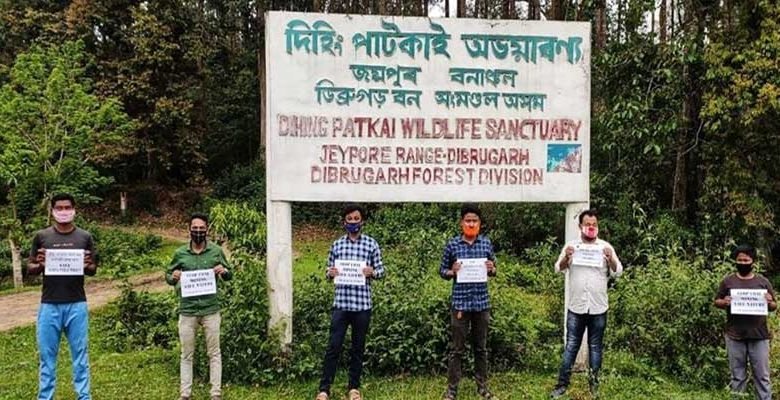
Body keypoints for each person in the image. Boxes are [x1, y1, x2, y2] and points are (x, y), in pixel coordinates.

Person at [27, 193, 98, 400]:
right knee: (47, 357)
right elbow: (30, 267)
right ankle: (45, 397)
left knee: (81, 356)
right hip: (49, 305)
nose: (64, 211)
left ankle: (84, 396)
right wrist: (39, 264)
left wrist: (87, 265)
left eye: (68, 207)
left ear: (74, 210)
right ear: (52, 211)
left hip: (77, 304)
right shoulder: (42, 237)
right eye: (59, 208)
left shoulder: (85, 237)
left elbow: (93, 268)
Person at [550, 209, 622, 399]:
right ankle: (561, 385)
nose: (591, 227)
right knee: (572, 345)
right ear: (580, 226)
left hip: (599, 307)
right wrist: (567, 257)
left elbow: (618, 271)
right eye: (587, 224)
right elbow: (558, 268)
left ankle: (594, 385)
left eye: (594, 224)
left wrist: (611, 259)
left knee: (595, 346)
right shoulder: (572, 246)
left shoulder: (605, 247)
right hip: (576, 306)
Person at [316, 203, 385, 400]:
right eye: (349, 219)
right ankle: (324, 389)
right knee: (333, 346)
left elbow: (381, 271)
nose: (353, 222)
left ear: (362, 221)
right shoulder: (337, 245)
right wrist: (331, 273)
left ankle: (354, 388)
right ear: (344, 221)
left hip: (362, 305)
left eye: (356, 219)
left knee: (358, 347)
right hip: (341, 304)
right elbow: (327, 271)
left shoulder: (371, 244)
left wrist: (373, 272)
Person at [166, 213, 233, 400]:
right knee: (186, 354)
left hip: (211, 309)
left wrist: (224, 271)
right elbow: (168, 275)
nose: (198, 231)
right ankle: (185, 394)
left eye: (201, 229)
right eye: (194, 228)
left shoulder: (216, 251)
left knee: (214, 352)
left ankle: (215, 393)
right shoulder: (180, 253)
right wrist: (174, 277)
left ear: (207, 230)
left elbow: (230, 274)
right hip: (187, 310)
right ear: (189, 230)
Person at [440, 203, 498, 400]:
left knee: (481, 348)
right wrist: (452, 271)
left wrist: (491, 268)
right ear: (461, 223)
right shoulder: (452, 245)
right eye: (468, 220)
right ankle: (452, 389)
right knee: (457, 349)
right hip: (460, 303)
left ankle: (483, 387)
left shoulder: (486, 244)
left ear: (480, 223)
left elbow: (494, 269)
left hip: (482, 303)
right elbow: (442, 271)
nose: (471, 224)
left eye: (474, 221)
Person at [714, 245, 777, 400]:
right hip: (734, 335)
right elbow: (716, 301)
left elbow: (774, 306)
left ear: (752, 261)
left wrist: (769, 302)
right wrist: (725, 302)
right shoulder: (728, 281)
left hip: (759, 336)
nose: (743, 262)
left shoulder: (763, 282)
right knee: (737, 376)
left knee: (762, 376)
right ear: (735, 261)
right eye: (739, 260)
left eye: (746, 260)